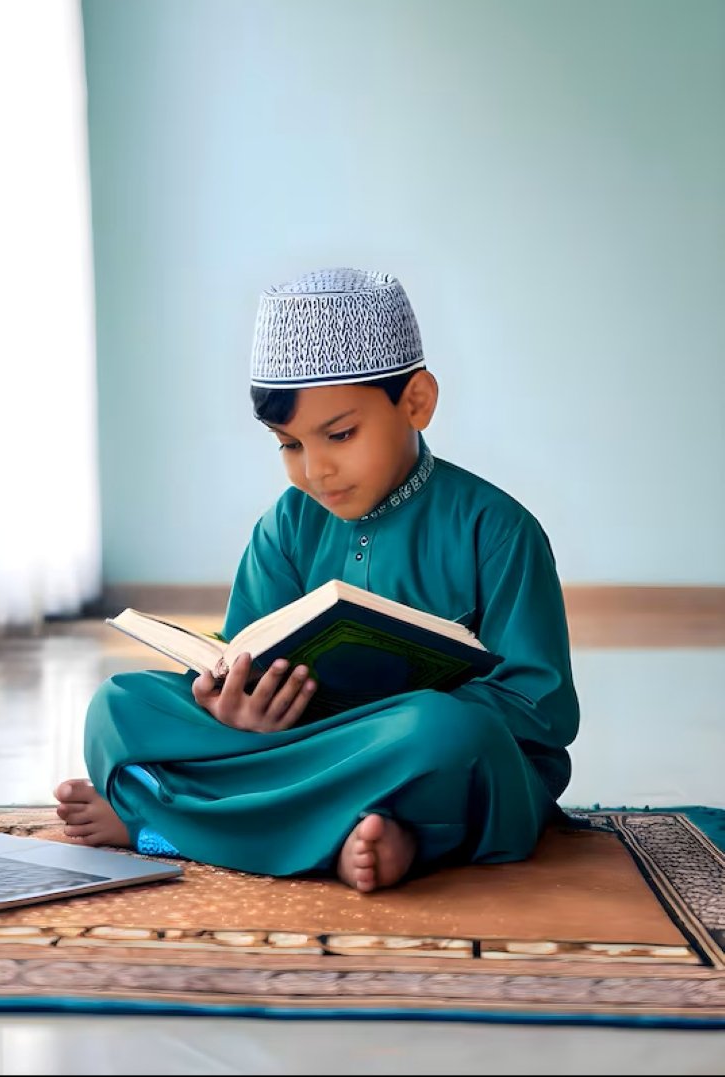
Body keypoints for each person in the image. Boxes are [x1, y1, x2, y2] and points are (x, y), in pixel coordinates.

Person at [55, 267, 580, 892]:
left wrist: (396, 708)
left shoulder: (497, 529)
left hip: (414, 750)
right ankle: (364, 834)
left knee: (446, 732)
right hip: (291, 745)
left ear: (416, 401)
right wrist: (233, 705)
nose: (315, 470)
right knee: (121, 704)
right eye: (287, 444)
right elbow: (239, 652)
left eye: (339, 435)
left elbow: (541, 714)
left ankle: (160, 823)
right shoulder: (286, 523)